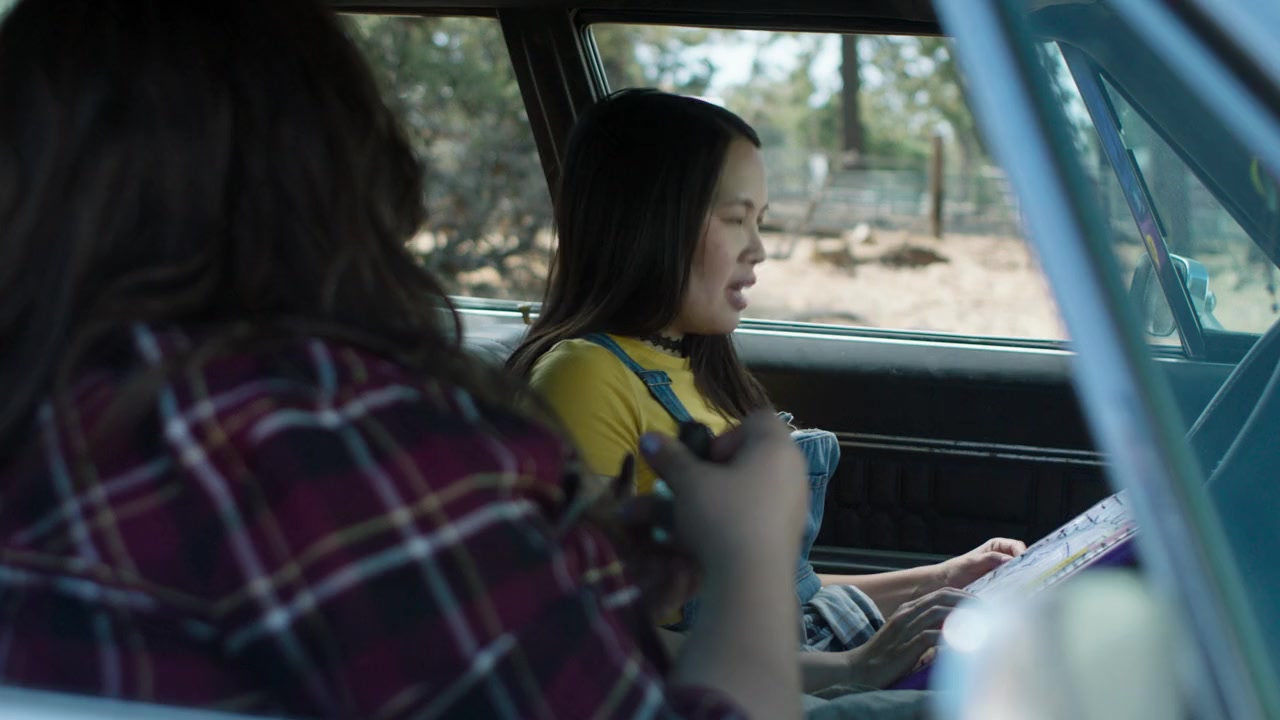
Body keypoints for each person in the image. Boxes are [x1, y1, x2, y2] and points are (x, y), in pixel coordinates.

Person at [0, 2, 810, 718]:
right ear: (333, 171)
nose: (759, 246)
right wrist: (752, 556)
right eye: (735, 217)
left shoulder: (54, 425)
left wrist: (560, 567)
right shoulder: (318, 445)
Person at [507, 89, 1027, 691]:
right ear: (652, 220)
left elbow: (787, 593)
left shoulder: (701, 369)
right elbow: (594, 636)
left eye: (760, 220)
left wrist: (943, 578)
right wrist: (854, 668)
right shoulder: (584, 378)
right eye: (736, 219)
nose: (759, 248)